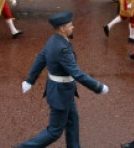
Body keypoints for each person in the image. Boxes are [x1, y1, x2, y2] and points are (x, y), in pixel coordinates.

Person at [18, 11, 108, 148]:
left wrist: (30, 80)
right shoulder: (62, 48)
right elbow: (76, 73)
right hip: (61, 93)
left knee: (72, 122)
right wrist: (97, 87)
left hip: (63, 92)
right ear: (62, 29)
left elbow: (40, 59)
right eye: (70, 26)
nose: (73, 28)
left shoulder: (53, 40)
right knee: (54, 131)